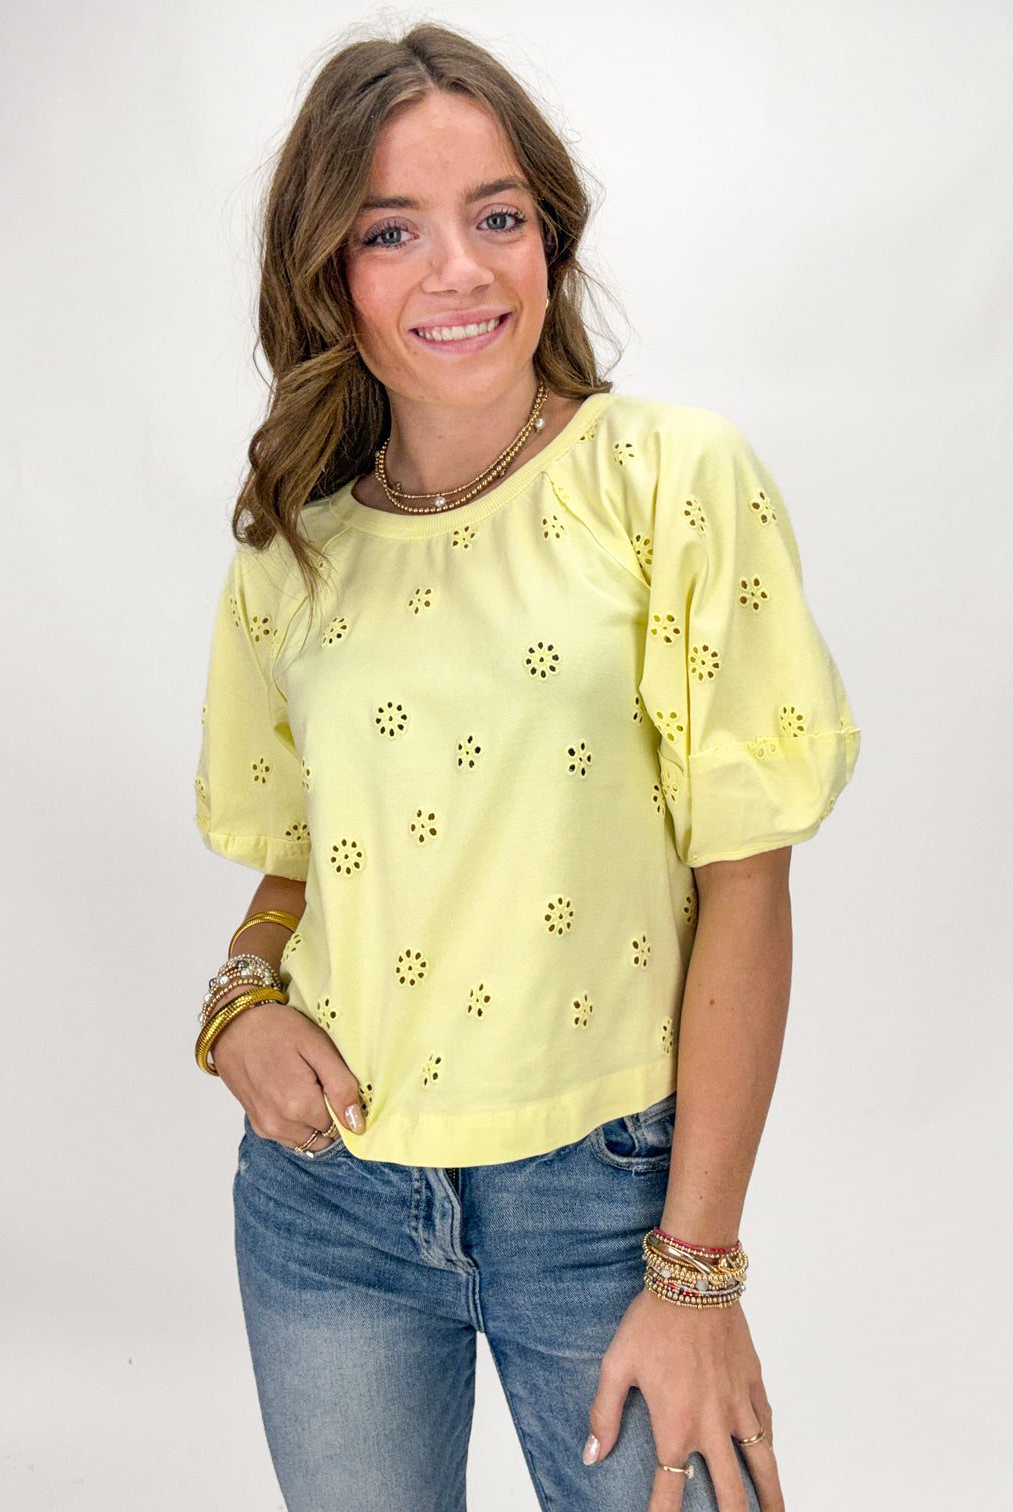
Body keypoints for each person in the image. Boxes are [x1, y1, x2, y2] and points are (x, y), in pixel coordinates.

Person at [192, 23, 859, 1512]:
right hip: (330, 1213)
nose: (461, 271)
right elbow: (299, 851)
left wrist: (696, 1273)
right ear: (328, 275)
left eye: (498, 216)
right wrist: (238, 1002)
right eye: (392, 231)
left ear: (549, 238)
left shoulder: (667, 481)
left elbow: (744, 876)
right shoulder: (297, 551)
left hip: (609, 1198)